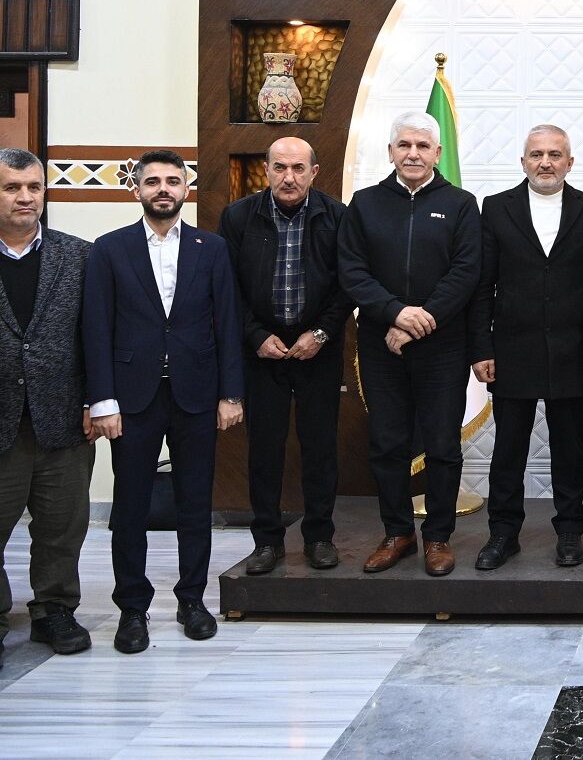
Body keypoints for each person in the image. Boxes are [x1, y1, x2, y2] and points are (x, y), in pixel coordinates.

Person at [84, 149, 244, 653]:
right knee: (130, 507)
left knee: (195, 504)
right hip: (132, 398)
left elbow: (229, 324)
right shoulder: (109, 249)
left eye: (173, 181)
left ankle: (192, 600)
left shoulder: (211, 248)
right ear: (136, 189)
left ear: (185, 190)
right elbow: (95, 328)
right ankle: (132, 609)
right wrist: (102, 400)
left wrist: (231, 393)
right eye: (152, 181)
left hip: (197, 394)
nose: (163, 189)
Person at [340, 111, 481, 577]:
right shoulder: (364, 204)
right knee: (387, 444)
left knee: (442, 445)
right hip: (381, 345)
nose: (413, 153)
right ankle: (397, 533)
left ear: (438, 153)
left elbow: (466, 272)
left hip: (443, 347)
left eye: (423, 146)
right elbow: (351, 271)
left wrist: (418, 320)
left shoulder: (461, 204)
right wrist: (394, 313)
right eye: (404, 145)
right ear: (391, 152)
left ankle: (437, 537)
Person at [468, 125, 583, 572]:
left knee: (570, 450)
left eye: (555, 154)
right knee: (508, 450)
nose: (546, 162)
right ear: (523, 161)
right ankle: (503, 534)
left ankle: (570, 531)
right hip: (512, 350)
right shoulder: (496, 207)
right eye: (537, 154)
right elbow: (482, 286)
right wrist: (481, 348)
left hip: (571, 349)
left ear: (570, 162)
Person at [218, 137, 353, 575]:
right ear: (267, 170)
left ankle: (319, 537)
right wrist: (255, 335)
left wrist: (322, 333)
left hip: (318, 351)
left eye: (298, 168)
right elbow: (227, 287)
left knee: (320, 448)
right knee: (264, 451)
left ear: (314, 172)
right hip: (262, 352)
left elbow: (349, 284)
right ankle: (266, 541)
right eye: (280, 168)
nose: (288, 177)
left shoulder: (338, 217)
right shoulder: (239, 217)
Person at [0, 148, 95, 664]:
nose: (25, 197)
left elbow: (99, 337)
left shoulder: (79, 257)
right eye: (12, 187)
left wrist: (97, 400)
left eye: (33, 187)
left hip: (63, 418)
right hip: (2, 421)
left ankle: (54, 609)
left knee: (62, 526)